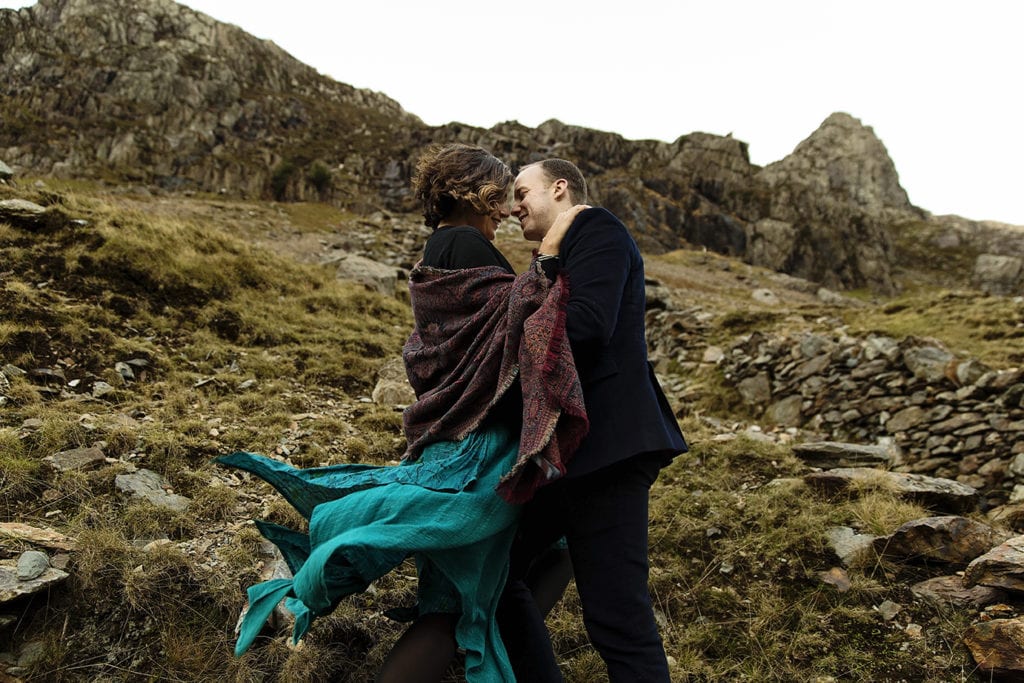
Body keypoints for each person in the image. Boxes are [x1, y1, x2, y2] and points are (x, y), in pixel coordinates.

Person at [216, 144, 588, 683]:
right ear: (476, 191)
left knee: (480, 587)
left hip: (459, 442)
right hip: (475, 455)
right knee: (454, 604)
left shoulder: (442, 247)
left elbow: (467, 341)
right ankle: (299, 598)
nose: (507, 210)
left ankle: (475, 642)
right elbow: (517, 323)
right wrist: (555, 247)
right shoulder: (462, 242)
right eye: (501, 195)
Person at [497, 158, 689, 682]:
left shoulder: (594, 227)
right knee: (494, 573)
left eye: (521, 193)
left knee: (617, 620)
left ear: (559, 189)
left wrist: (551, 260)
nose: (513, 207)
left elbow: (586, 326)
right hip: (569, 454)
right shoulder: (554, 250)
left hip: (609, 450)